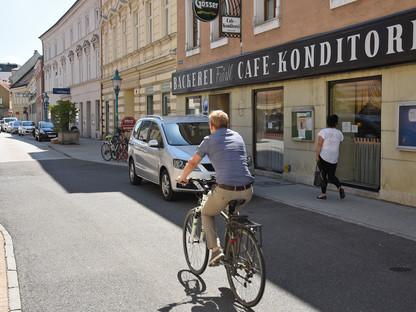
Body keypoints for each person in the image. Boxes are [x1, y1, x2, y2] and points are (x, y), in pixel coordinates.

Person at [177, 110, 254, 266]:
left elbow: (192, 163)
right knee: (233, 215)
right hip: (247, 190)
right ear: (228, 125)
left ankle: (215, 250)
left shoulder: (209, 140)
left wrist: (182, 178)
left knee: (206, 212)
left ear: (211, 126)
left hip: (226, 190)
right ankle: (233, 251)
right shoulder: (238, 136)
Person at [316, 114, 345, 200]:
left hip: (324, 156)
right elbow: (340, 143)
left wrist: (317, 155)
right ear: (336, 123)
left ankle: (323, 194)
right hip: (334, 157)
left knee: (324, 176)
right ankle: (339, 187)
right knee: (332, 176)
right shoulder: (339, 133)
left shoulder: (324, 132)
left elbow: (319, 145)